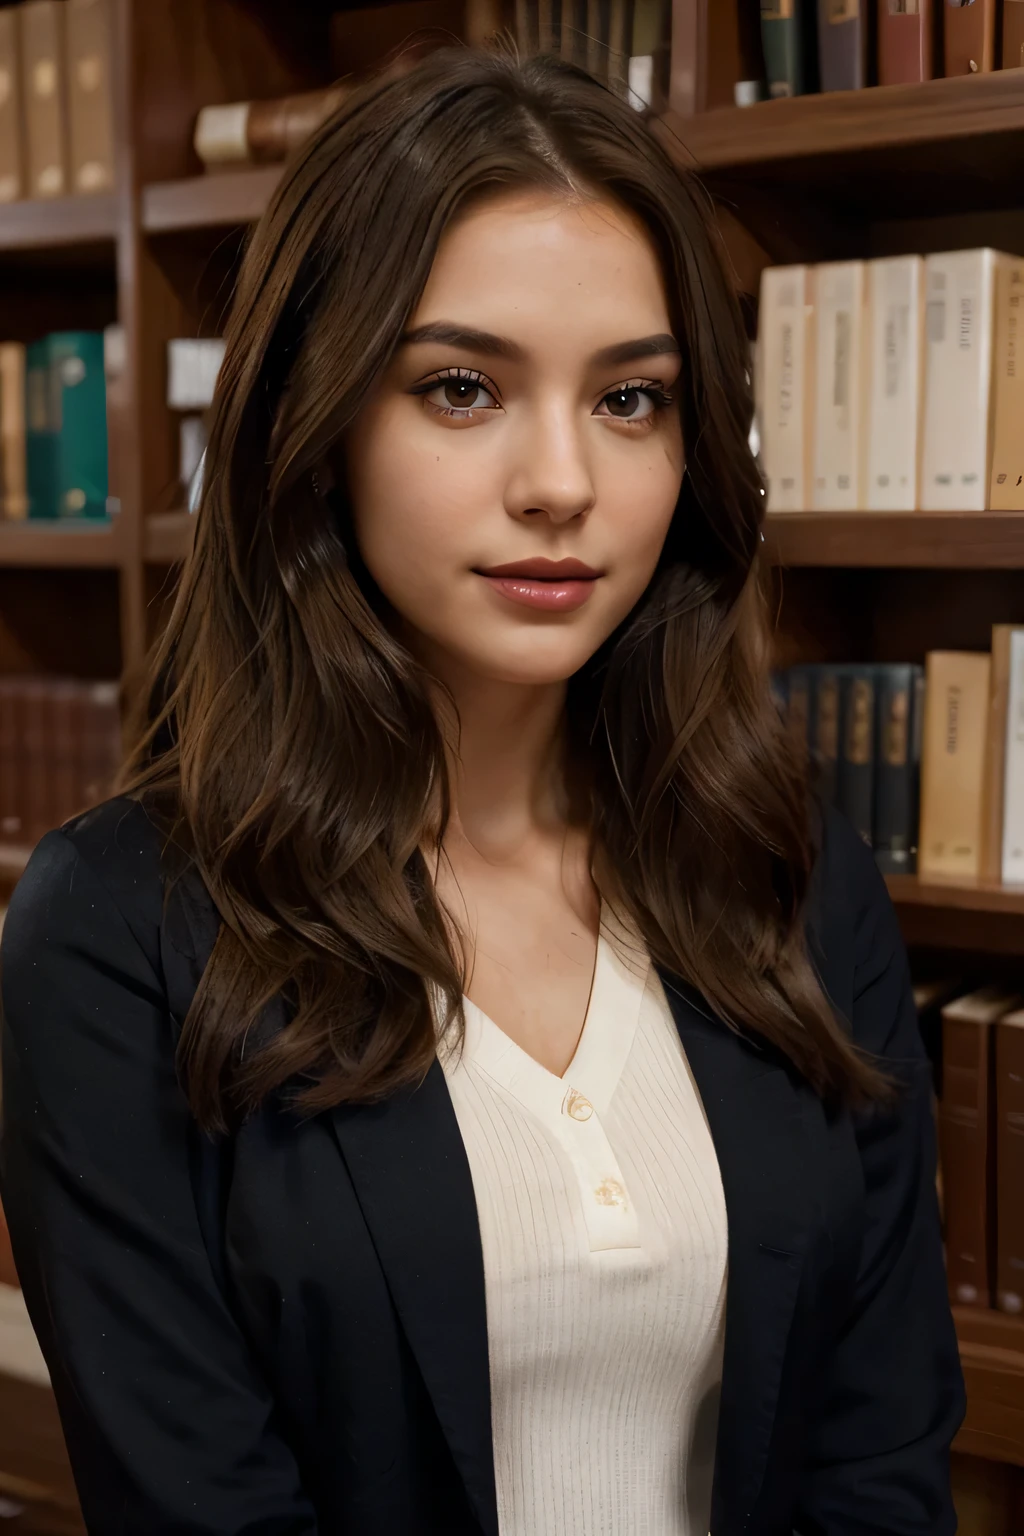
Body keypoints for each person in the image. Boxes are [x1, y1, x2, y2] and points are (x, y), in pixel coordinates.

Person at [0, 45, 964, 1536]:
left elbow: (882, 1452)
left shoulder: (790, 872)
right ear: (315, 434)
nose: (562, 480)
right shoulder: (117, 931)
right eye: (463, 388)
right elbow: (203, 1508)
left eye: (632, 398)